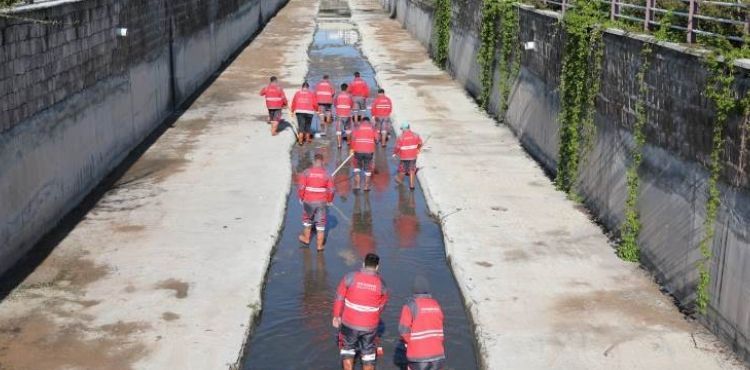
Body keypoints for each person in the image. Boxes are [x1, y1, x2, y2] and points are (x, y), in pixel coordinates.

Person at [332, 253, 389, 370]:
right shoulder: (382, 285)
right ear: (377, 267)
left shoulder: (350, 277)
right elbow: (381, 306)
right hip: (369, 327)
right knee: (368, 355)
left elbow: (339, 297)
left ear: (363, 264)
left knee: (348, 350)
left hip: (349, 323)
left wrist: (336, 316)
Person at [398, 276, 446, 370]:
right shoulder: (436, 304)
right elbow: (440, 327)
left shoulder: (410, 305)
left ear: (414, 290)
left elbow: (403, 331)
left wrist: (409, 342)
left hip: (418, 357)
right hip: (438, 355)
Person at [297, 153, 335, 251]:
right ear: (322, 162)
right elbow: (331, 190)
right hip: (321, 202)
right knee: (321, 224)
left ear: (314, 161)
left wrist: (301, 197)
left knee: (307, 221)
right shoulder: (327, 174)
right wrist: (330, 200)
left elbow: (301, 187)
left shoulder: (306, 172)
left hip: (308, 201)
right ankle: (319, 246)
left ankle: (306, 239)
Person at [350, 117, 378, 191]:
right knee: (367, 169)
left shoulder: (357, 128)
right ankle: (366, 187)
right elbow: (377, 139)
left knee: (357, 168)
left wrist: (352, 149)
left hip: (358, 151)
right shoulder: (372, 128)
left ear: (362, 122)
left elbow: (352, 138)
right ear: (369, 122)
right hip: (369, 151)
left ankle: (357, 185)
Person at [393, 122, 423, 190]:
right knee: (412, 170)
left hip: (404, 156)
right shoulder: (416, 135)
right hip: (413, 156)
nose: (402, 130)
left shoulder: (400, 137)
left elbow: (397, 147)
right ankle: (412, 186)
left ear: (404, 129)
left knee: (403, 170)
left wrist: (395, 153)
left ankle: (399, 180)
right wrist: (417, 149)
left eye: (402, 129)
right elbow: (420, 143)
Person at [335, 83, 354, 148]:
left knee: (338, 131)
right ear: (347, 88)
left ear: (341, 88)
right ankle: (348, 143)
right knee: (348, 130)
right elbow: (351, 105)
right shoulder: (349, 96)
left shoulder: (338, 96)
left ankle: (339, 145)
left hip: (339, 115)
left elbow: (335, 104)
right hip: (347, 115)